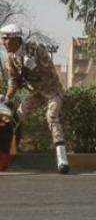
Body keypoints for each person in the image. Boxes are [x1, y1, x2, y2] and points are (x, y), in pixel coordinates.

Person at [0, 24, 69, 173]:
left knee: (52, 117)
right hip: (36, 93)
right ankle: (9, 155)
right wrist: (6, 99)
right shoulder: (11, 59)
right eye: (3, 39)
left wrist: (33, 66)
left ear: (16, 39)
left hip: (52, 90)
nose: (3, 42)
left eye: (6, 39)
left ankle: (62, 159)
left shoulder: (35, 49)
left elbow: (49, 70)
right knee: (16, 118)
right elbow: (13, 82)